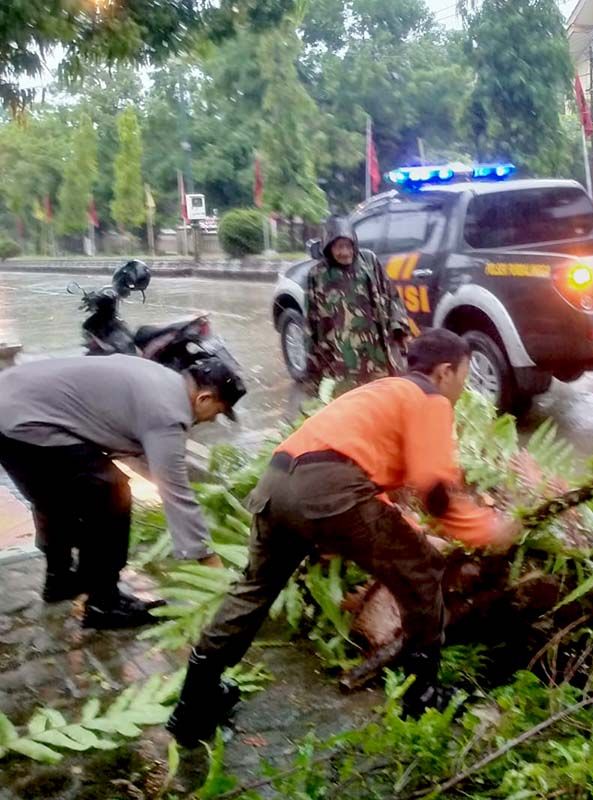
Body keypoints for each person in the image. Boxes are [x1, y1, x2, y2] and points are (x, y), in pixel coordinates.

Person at [167, 329, 520, 746]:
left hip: (277, 482)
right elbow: (437, 495)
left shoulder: (383, 392)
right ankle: (421, 695)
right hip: (329, 491)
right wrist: (490, 530)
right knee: (424, 570)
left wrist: (402, 524)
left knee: (255, 590)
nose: (466, 384)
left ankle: (193, 703)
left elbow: (361, 466)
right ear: (445, 371)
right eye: (465, 373)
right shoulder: (430, 400)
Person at [0, 355, 245, 627]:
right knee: (110, 491)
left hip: (13, 402)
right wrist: (215, 572)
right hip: (21, 421)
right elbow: (176, 495)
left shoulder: (162, 379)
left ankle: (61, 579)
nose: (213, 421)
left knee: (57, 493)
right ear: (204, 399)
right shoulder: (169, 413)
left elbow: (146, 460)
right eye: (219, 412)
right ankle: (104, 604)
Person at [306, 215, 411, 386]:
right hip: (342, 362)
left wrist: (400, 329)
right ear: (328, 248)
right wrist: (313, 367)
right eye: (339, 247)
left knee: (383, 400)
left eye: (348, 246)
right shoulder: (317, 275)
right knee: (353, 405)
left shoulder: (369, 262)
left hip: (377, 355)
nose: (345, 252)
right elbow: (311, 323)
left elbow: (392, 297)